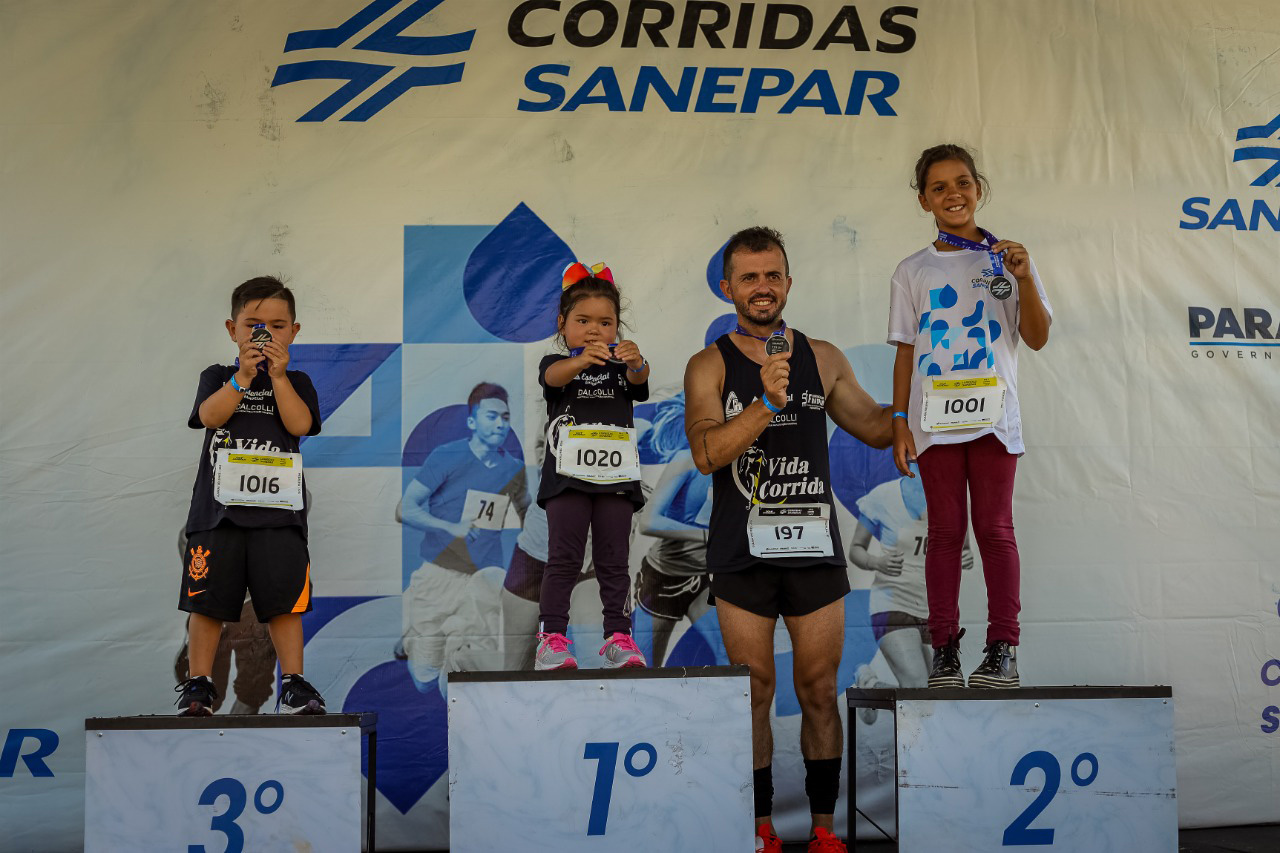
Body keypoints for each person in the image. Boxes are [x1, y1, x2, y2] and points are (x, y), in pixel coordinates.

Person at [684, 227, 892, 853]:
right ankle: (761, 830)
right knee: (754, 690)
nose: (762, 287)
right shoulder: (709, 364)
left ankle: (824, 830)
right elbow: (706, 452)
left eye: (772, 275)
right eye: (749, 277)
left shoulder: (822, 358)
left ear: (788, 283)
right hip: (742, 553)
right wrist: (766, 404)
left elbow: (874, 425)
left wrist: (924, 401)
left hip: (813, 550)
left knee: (819, 688)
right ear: (728, 288)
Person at [888, 143, 1052, 689]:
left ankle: (1003, 649)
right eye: (938, 188)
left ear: (978, 188)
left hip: (993, 419)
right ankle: (944, 652)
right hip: (933, 421)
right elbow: (905, 351)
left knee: (994, 530)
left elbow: (1036, 337)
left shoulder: (1008, 260)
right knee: (944, 533)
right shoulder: (912, 270)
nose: (953, 194)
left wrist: (1023, 278)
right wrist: (899, 422)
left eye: (962, 183)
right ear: (923, 200)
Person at [175, 276, 326, 716]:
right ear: (232, 329)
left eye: (277, 327)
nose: (265, 335)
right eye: (253, 326)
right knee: (207, 602)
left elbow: (300, 425)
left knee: (283, 603)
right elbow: (210, 416)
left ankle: (293, 682)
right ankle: (199, 684)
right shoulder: (217, 376)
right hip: (218, 513)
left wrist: (276, 377)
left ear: (294, 332)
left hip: (278, 515)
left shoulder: (297, 381)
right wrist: (243, 376)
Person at [534, 262, 649, 671]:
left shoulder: (621, 367)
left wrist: (636, 363)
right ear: (562, 324)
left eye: (605, 322)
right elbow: (553, 377)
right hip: (567, 480)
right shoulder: (557, 363)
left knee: (614, 561)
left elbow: (641, 382)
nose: (594, 330)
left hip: (615, 479)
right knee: (563, 558)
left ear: (617, 327)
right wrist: (582, 360)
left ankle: (619, 638)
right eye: (582, 321)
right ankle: (551, 639)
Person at [398, 382, 527, 693]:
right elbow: (405, 509)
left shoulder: (514, 468)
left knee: (470, 675)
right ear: (472, 421)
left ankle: (458, 643)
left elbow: (528, 515)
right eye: (491, 416)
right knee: (425, 680)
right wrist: (450, 527)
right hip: (438, 577)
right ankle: (422, 637)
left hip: (484, 581)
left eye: (505, 418)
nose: (500, 424)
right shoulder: (447, 455)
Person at [847, 466, 972, 693]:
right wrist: (876, 562)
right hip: (893, 602)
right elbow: (856, 548)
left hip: (937, 611)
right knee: (917, 686)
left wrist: (966, 556)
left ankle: (872, 686)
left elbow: (964, 548)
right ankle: (874, 687)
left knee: (939, 693)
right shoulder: (883, 496)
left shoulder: (953, 496)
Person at [633, 393, 717, 666]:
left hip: (707, 577)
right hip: (665, 576)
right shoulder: (686, 459)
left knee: (731, 653)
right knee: (647, 668)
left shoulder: (742, 461)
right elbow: (649, 522)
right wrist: (706, 536)